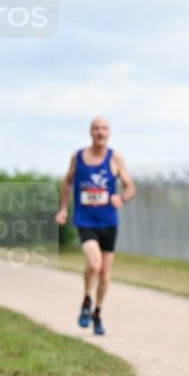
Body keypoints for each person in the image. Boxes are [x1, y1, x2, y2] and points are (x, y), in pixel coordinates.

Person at [56, 117, 135, 336]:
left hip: (108, 221)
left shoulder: (115, 158)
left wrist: (122, 198)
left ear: (109, 133)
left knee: (105, 274)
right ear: (90, 132)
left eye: (104, 128)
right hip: (85, 220)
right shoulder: (78, 157)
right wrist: (63, 209)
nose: (100, 132)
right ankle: (86, 298)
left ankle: (97, 313)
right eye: (96, 128)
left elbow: (130, 187)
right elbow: (67, 182)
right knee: (94, 262)